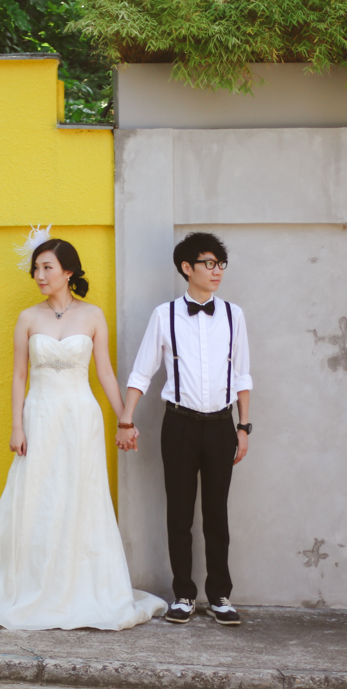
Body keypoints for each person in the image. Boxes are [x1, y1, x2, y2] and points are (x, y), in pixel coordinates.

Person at [0, 232, 166, 630]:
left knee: (78, 494)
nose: (39, 274)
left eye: (47, 267)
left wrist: (125, 418)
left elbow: (103, 371)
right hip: (39, 414)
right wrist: (16, 424)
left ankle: (77, 586)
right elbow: (19, 375)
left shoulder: (92, 316)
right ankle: (26, 582)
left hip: (79, 416)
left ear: (68, 272)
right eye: (36, 268)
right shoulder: (27, 318)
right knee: (34, 494)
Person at [116, 232, 252, 626]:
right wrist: (126, 419)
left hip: (221, 426)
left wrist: (243, 427)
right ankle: (184, 595)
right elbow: (143, 371)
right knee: (178, 513)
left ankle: (220, 595)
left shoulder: (233, 315)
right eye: (209, 263)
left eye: (221, 264)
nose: (217, 271)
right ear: (186, 268)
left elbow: (242, 373)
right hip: (178, 424)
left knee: (216, 514)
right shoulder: (164, 315)